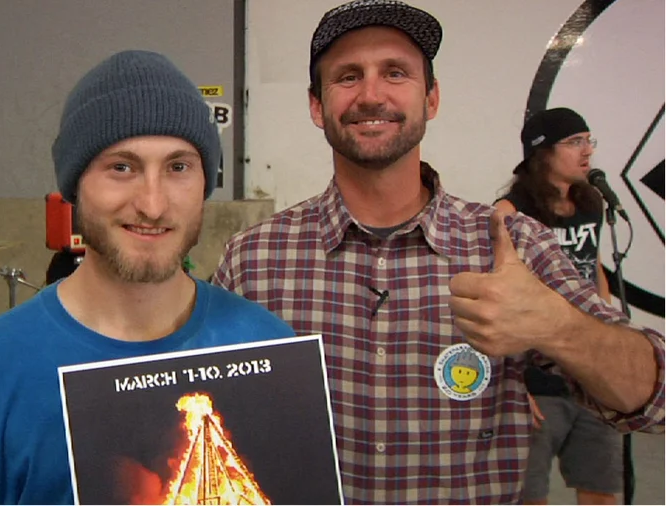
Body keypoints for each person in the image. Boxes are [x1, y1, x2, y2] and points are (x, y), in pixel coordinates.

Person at [211, 0, 665, 503]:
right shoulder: (252, 260)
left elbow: (653, 398)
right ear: (317, 106)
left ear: (431, 99)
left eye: (396, 73)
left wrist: (555, 325)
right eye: (347, 77)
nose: (371, 94)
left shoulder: (513, 248)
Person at [0, 50, 294, 504]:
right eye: (121, 167)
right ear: (75, 187)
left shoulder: (266, 347)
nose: (152, 204)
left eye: (178, 167)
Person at [495, 107, 621, 504]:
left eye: (589, 140)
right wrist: (514, 385)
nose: (587, 151)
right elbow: (500, 298)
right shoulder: (510, 214)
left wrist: (612, 338)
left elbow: (593, 268)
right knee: (529, 494)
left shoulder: (592, 203)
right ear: (542, 153)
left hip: (590, 373)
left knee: (602, 488)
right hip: (538, 378)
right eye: (574, 142)